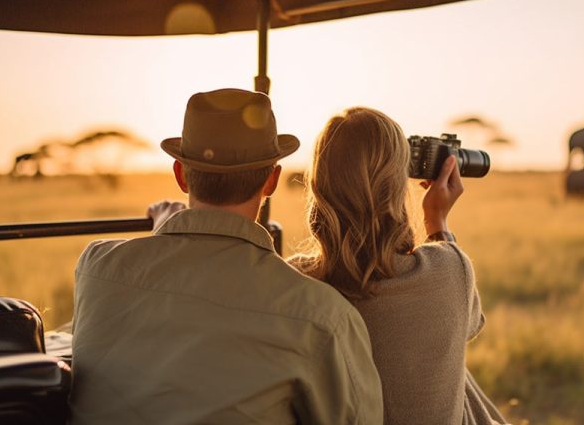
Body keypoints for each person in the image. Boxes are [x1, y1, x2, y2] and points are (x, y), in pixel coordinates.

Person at [69, 89, 382, 425]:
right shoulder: (323, 316)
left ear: (180, 174)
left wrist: (169, 232)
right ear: (272, 180)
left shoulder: (97, 265)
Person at [288, 107, 507, 425]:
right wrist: (438, 222)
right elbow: (467, 324)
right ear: (396, 186)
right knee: (455, 373)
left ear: (320, 185)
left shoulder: (293, 282)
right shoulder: (448, 271)